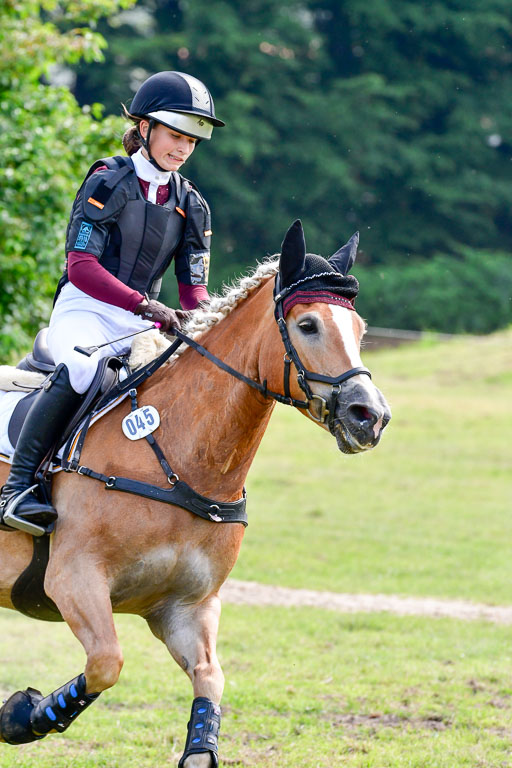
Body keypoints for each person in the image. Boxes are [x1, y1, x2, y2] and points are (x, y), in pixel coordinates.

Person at [0, 71, 225, 535]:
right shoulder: (108, 181)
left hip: (142, 322)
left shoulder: (193, 205)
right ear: (145, 128)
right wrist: (146, 306)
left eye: (191, 141)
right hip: (86, 308)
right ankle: (17, 489)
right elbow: (81, 265)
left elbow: (193, 291)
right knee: (84, 369)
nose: (183, 149)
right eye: (175, 136)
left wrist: (209, 319)